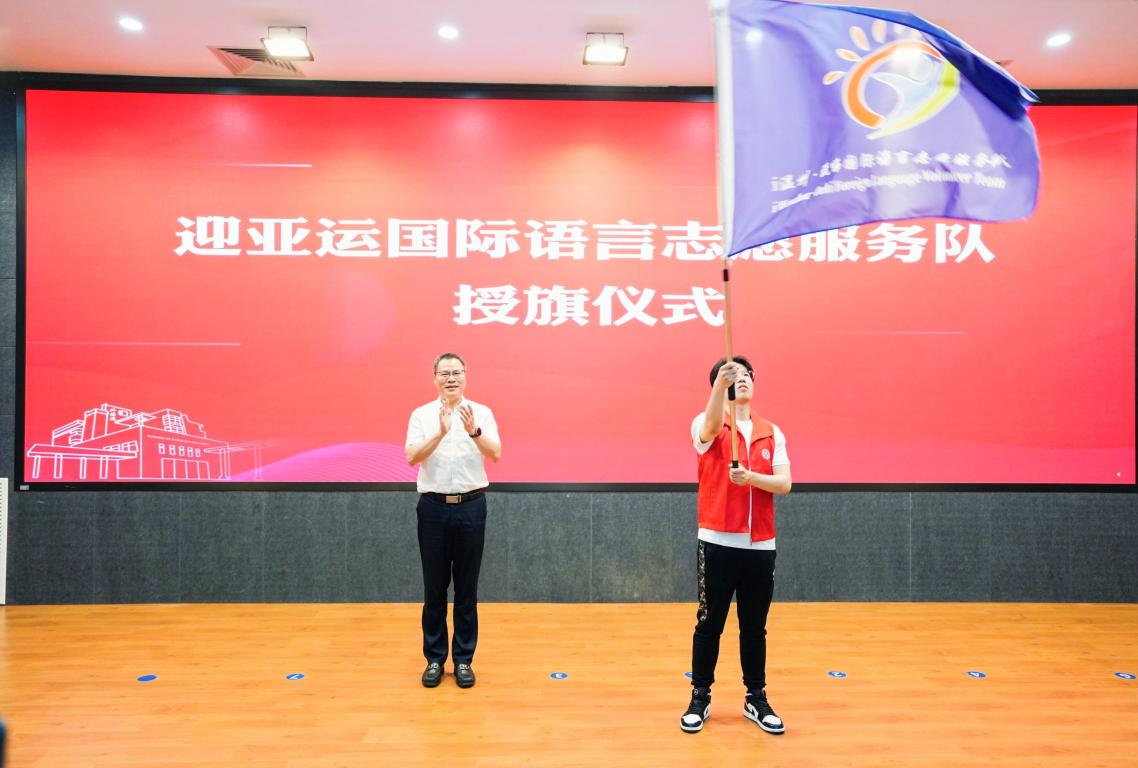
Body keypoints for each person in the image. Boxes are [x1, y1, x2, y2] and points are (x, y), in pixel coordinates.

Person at [680, 356, 791, 735]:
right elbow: (709, 429)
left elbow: (784, 483)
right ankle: (700, 696)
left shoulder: (771, 432)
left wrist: (751, 478)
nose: (743, 379)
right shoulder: (707, 421)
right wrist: (718, 387)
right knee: (709, 623)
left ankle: (755, 697)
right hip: (717, 541)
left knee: (754, 626)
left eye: (747, 375)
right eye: (734, 376)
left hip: (760, 545)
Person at [405, 352, 501, 689]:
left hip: (471, 507)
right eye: (444, 373)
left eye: (456, 373)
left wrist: (473, 431)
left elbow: (495, 454)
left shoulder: (481, 413)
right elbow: (411, 457)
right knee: (434, 589)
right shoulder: (421, 415)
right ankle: (434, 659)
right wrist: (440, 433)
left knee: (466, 589)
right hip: (432, 508)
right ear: (434, 377)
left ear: (465, 376)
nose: (451, 379)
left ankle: (463, 661)